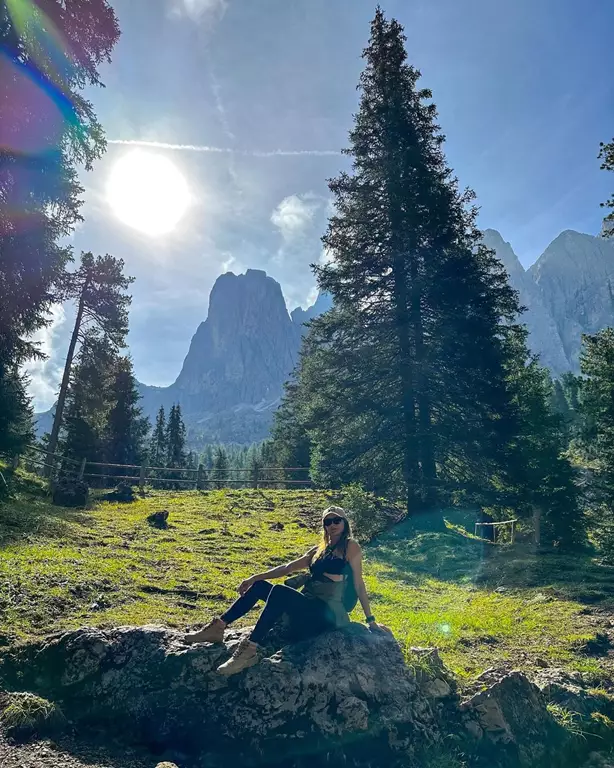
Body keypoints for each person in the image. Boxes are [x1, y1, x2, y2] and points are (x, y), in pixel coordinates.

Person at [184, 506, 386, 676]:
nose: (332, 525)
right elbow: (287, 568)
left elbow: (359, 583)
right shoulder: (319, 550)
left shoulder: (350, 546)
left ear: (345, 523)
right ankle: (218, 628)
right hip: (308, 605)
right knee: (260, 587)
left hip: (328, 614)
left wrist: (371, 620)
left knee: (280, 592)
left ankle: (250, 651)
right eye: (327, 522)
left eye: (337, 520)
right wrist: (254, 577)